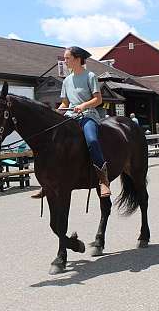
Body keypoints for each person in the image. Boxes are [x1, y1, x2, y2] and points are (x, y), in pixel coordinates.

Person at [32, 46, 111, 199]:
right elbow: (65, 102)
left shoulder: (90, 76)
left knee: (92, 140)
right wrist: (55, 113)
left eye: (67, 58)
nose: (65, 61)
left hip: (88, 116)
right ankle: (47, 182)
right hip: (70, 117)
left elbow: (98, 100)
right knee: (52, 142)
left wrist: (83, 106)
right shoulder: (67, 80)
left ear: (77, 59)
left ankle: (103, 180)